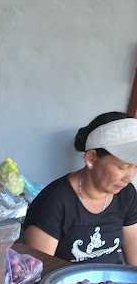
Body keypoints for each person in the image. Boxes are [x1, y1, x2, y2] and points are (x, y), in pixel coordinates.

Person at [24, 112, 137, 265]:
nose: (129, 177)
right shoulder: (54, 201)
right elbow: (38, 272)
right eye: (122, 167)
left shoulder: (127, 194)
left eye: (136, 167)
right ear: (91, 158)